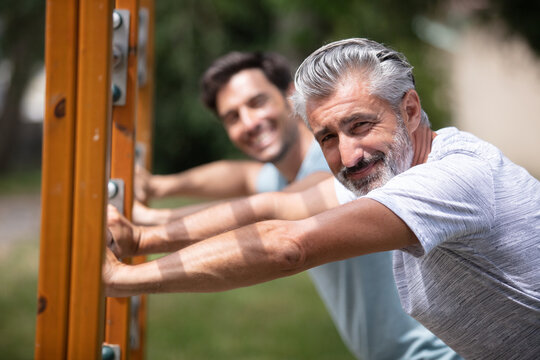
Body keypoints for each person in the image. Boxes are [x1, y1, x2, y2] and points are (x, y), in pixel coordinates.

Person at [104, 40, 540, 359]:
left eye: (361, 125)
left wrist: (121, 278)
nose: (348, 153)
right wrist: (144, 235)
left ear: (409, 109)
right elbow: (272, 202)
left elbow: (290, 244)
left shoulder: (450, 178)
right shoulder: (382, 173)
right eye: (329, 136)